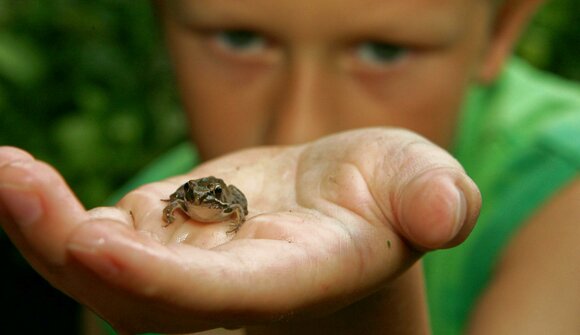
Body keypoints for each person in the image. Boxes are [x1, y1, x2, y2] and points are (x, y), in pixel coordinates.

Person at [0, 0, 579, 334]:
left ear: (501, 25)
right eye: (239, 37)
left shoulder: (561, 186)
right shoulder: (140, 217)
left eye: (383, 50)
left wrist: (364, 298)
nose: (299, 124)